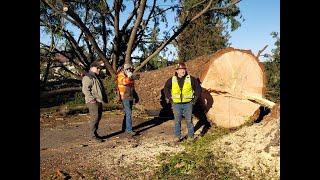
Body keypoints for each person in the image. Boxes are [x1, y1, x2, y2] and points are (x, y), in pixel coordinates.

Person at [164, 62, 201, 142]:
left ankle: (190, 137)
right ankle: (177, 136)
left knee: (189, 121)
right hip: (176, 104)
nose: (182, 71)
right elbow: (166, 88)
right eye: (180, 69)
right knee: (177, 121)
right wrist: (170, 99)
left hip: (188, 104)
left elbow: (198, 89)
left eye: (184, 69)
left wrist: (194, 100)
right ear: (177, 71)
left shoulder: (190, 79)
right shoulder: (172, 79)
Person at [82, 60, 108, 142]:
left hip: (98, 100)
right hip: (93, 102)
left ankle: (94, 134)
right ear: (92, 68)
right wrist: (92, 99)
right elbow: (85, 90)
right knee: (95, 118)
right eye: (98, 68)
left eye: (99, 68)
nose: (99, 70)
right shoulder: (88, 77)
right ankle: (93, 136)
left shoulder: (94, 76)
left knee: (97, 117)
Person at [116, 63, 140, 136]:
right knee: (129, 113)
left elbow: (132, 87)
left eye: (131, 69)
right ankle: (129, 130)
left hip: (130, 96)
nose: (130, 70)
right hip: (124, 97)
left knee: (127, 113)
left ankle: (125, 128)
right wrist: (130, 77)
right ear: (125, 69)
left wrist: (136, 96)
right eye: (129, 69)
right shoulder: (121, 75)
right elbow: (124, 82)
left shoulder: (128, 75)